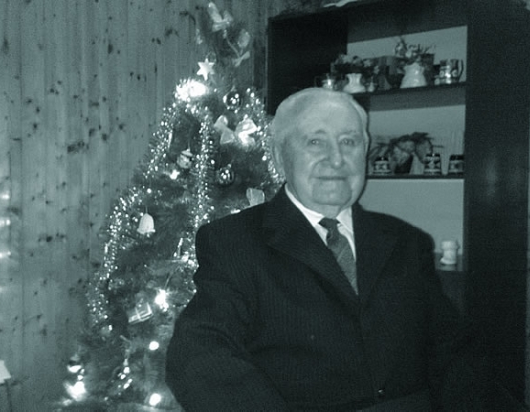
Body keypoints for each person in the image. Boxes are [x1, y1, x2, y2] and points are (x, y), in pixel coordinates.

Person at [165, 88, 491, 411]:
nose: (336, 158)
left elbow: (453, 352)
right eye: (315, 142)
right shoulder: (235, 242)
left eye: (349, 142)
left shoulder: (406, 241)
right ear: (280, 157)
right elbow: (198, 354)